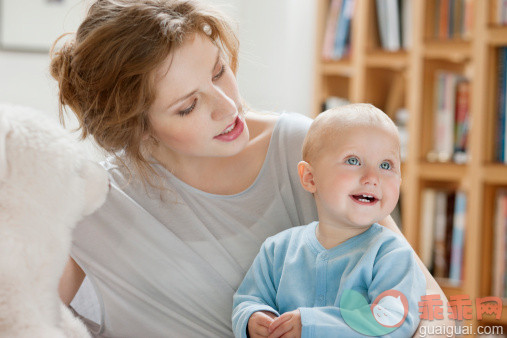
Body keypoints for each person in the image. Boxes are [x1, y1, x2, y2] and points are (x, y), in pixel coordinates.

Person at [50, 1, 453, 337]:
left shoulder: (306, 149)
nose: (228, 106)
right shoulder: (95, 203)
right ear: (137, 129)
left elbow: (434, 314)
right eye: (188, 106)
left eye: (219, 71)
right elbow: (21, 317)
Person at [232, 104, 425, 338]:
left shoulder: (393, 255)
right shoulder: (277, 250)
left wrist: (312, 325)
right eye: (353, 160)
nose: (372, 178)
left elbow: (393, 323)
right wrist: (254, 318)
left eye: (386, 165)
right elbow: (249, 299)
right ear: (310, 178)